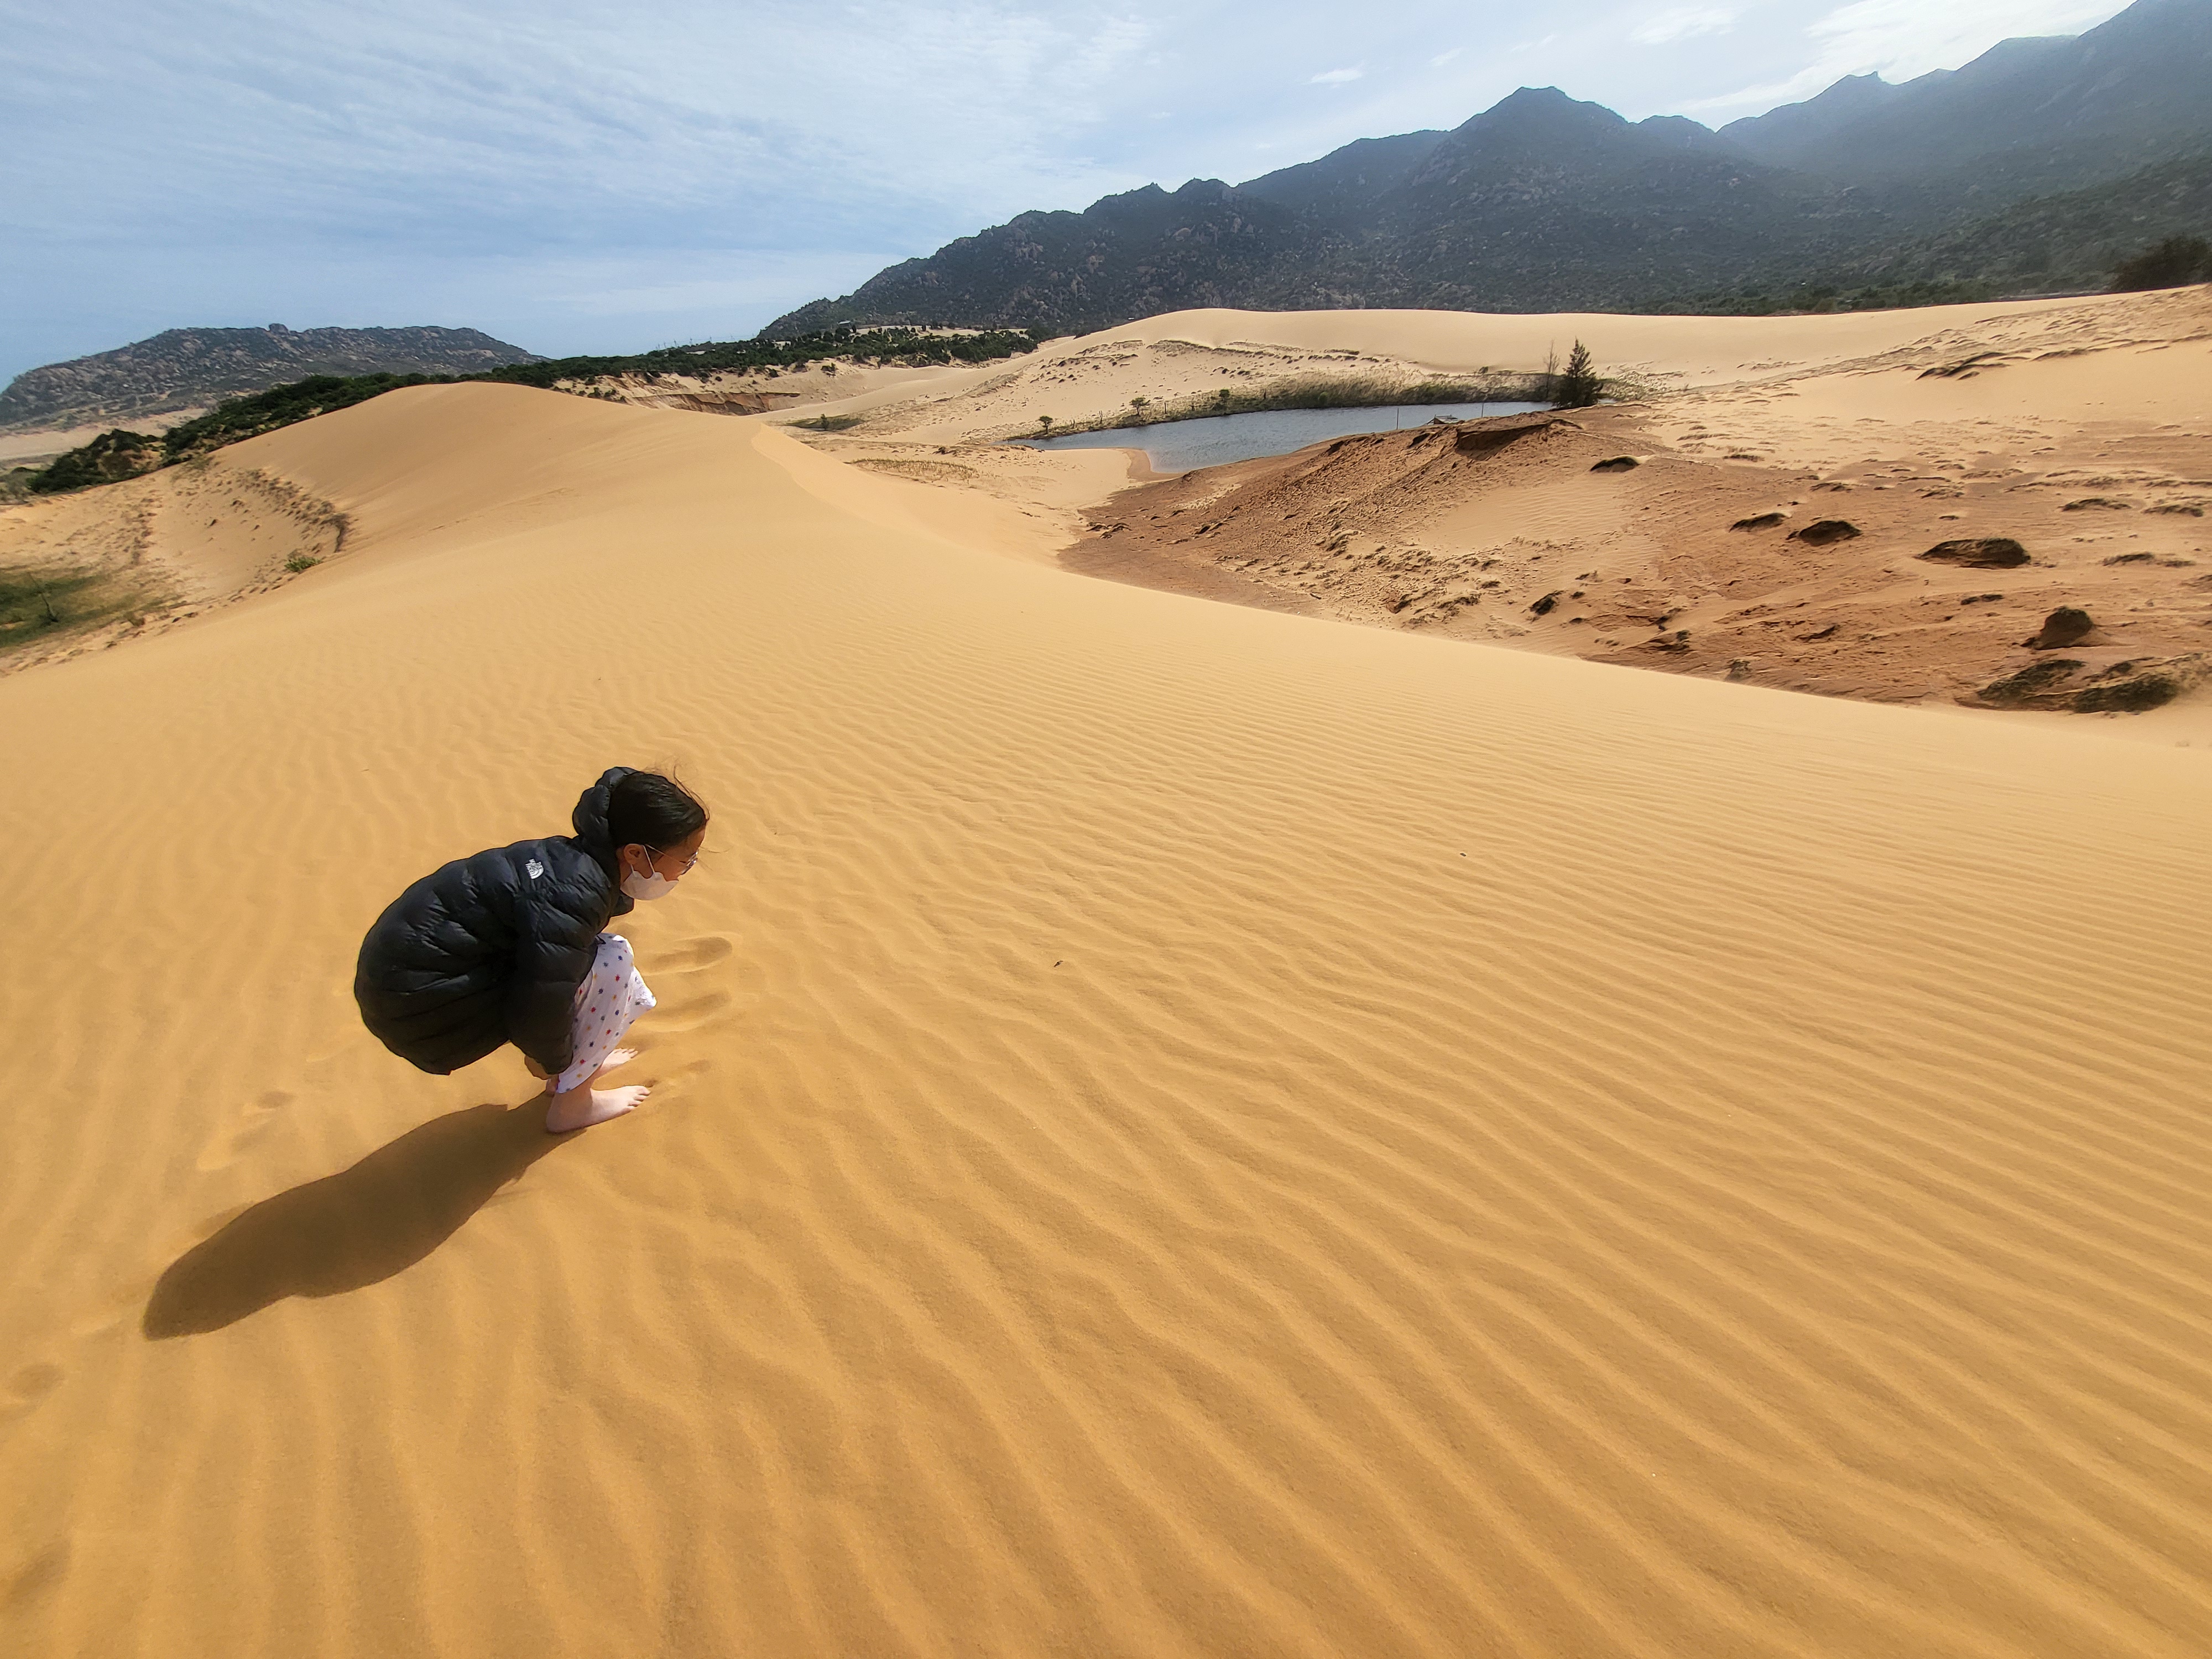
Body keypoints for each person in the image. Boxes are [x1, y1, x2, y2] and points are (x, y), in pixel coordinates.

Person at [354, 767, 708, 1133]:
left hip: (405, 983)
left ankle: (579, 1068)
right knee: (614, 962)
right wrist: (550, 1061)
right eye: (687, 860)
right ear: (635, 853)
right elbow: (544, 998)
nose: (686, 869)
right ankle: (573, 1102)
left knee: (590, 959)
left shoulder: (573, 860)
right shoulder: (574, 893)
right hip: (419, 1007)